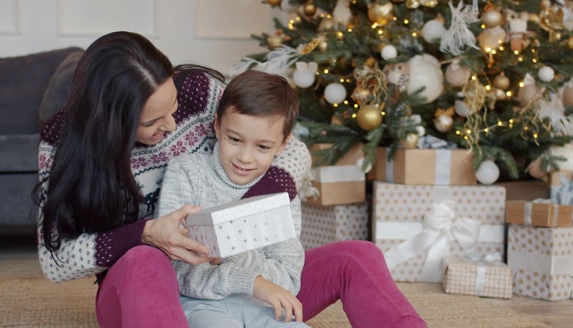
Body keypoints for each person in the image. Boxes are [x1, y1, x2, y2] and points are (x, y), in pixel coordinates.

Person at [34, 31, 426, 328]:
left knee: (358, 255)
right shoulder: (62, 141)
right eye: (152, 122)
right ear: (110, 122)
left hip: (256, 277)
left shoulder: (199, 94)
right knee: (144, 260)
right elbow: (56, 260)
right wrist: (147, 233)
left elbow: (285, 146)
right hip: (158, 288)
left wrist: (247, 215)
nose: (171, 126)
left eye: (171, 108)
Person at [156, 70, 307, 327]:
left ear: (283, 144)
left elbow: (288, 277)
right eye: (235, 139)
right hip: (199, 304)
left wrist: (228, 255)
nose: (245, 158)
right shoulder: (186, 172)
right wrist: (250, 280)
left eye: (263, 147)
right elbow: (175, 271)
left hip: (264, 306)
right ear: (217, 125)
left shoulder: (279, 191)